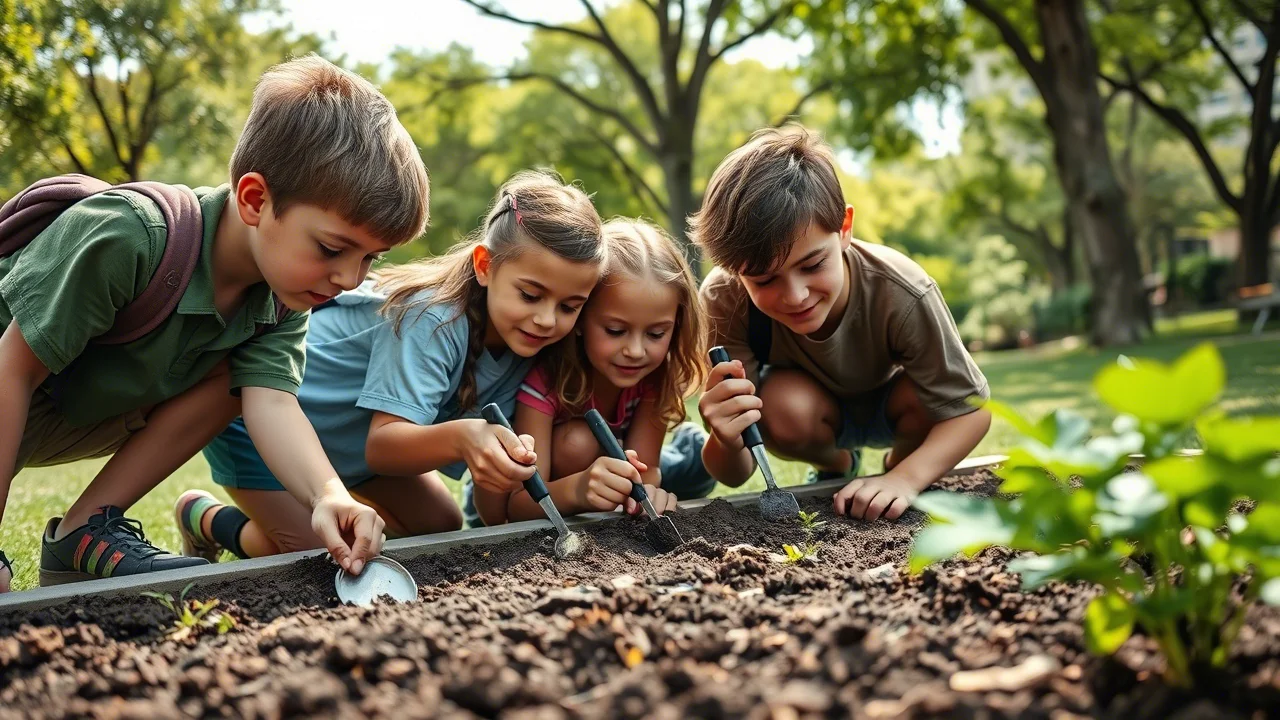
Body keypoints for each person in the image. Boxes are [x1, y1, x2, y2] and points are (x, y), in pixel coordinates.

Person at [0, 54, 423, 592]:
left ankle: (83, 535)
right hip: (11, 390)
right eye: (332, 248)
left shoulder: (280, 298)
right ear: (255, 200)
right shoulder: (128, 237)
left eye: (370, 258)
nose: (348, 277)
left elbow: (271, 401)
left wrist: (330, 496)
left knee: (239, 381)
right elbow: (11, 369)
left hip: (62, 412)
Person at [179, 170, 606, 557]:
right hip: (266, 428)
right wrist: (464, 438)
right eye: (531, 295)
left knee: (440, 522)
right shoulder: (432, 318)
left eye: (570, 306)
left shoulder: (526, 347)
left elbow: (492, 508)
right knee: (321, 554)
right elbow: (383, 446)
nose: (547, 319)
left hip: (346, 450)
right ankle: (208, 519)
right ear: (485, 266)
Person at [692, 125, 991, 522]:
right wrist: (725, 437)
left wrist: (904, 478)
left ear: (845, 228)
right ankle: (838, 465)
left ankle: (894, 467)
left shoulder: (903, 290)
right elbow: (735, 474)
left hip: (897, 407)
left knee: (933, 401)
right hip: (807, 414)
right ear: (734, 271)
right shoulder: (724, 300)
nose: (796, 295)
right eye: (764, 280)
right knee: (777, 406)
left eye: (812, 265)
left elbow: (972, 411)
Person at [476, 219, 709, 525]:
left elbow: (645, 470)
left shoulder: (655, 376)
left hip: (609, 480)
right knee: (578, 442)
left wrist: (647, 491)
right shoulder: (545, 383)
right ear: (581, 318)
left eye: (656, 334)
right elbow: (517, 506)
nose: (636, 351)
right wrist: (579, 490)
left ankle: (688, 451)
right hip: (541, 494)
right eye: (615, 330)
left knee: (699, 469)